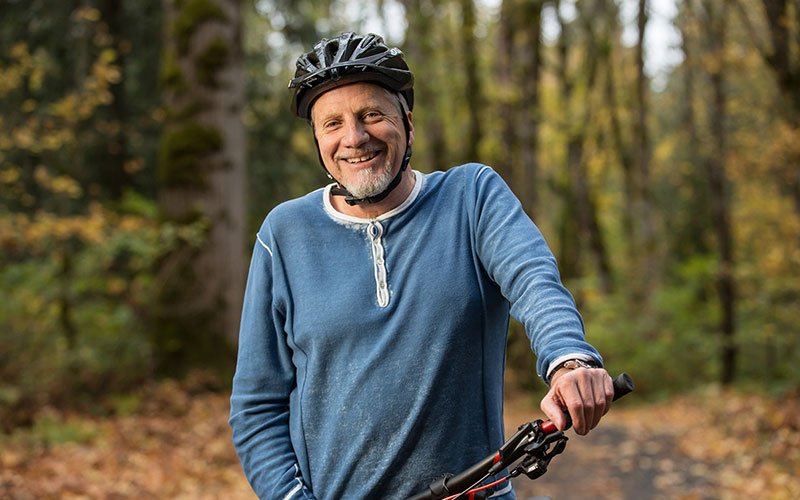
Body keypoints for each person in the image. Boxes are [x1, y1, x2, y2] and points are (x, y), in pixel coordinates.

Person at [229, 32, 614, 500]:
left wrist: (568, 361)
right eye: (332, 123)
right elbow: (257, 406)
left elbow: (534, 281)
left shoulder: (471, 196)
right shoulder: (284, 234)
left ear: (407, 124)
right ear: (317, 139)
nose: (354, 137)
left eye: (372, 114)